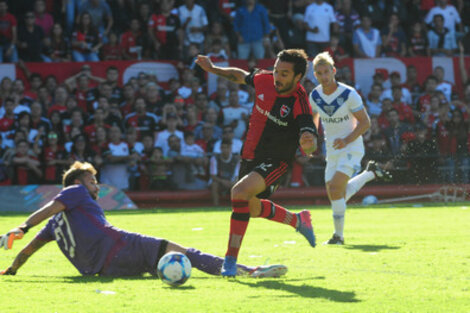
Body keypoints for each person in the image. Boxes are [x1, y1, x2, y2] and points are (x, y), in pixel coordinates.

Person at [0, 161, 287, 278]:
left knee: (165, 265)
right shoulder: (74, 192)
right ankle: (250, 271)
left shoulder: (54, 226)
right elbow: (50, 207)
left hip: (107, 271)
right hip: (124, 246)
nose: (96, 185)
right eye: (92, 179)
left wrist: (11, 270)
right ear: (77, 181)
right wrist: (23, 226)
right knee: (186, 253)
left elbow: (29, 250)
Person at [195, 49, 318, 277]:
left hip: (276, 162)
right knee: (249, 207)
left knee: (239, 192)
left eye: (284, 74)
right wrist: (213, 69)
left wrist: (309, 145)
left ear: (297, 77)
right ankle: (299, 220)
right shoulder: (264, 79)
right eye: (276, 71)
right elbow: (240, 75)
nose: (277, 77)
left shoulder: (300, 101)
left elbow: (308, 134)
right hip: (249, 156)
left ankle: (230, 262)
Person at [309, 52, 391, 245]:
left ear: (333, 71)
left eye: (327, 72)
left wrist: (346, 140)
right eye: (319, 73)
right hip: (332, 148)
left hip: (351, 146)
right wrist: (310, 138)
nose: (324, 76)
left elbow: (365, 123)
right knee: (335, 193)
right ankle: (369, 174)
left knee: (336, 188)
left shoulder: (348, 94)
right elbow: (313, 118)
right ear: (315, 75)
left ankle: (338, 236)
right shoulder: (314, 95)